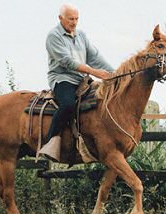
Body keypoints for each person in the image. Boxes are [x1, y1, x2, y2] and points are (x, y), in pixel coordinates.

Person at [39, 3, 114, 161]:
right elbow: (67, 61)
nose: (74, 22)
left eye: (77, 19)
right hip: (62, 78)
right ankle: (50, 142)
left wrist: (115, 73)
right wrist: (94, 72)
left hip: (82, 79)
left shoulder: (81, 35)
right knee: (68, 105)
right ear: (61, 18)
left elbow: (95, 57)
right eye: (70, 19)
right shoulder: (54, 36)